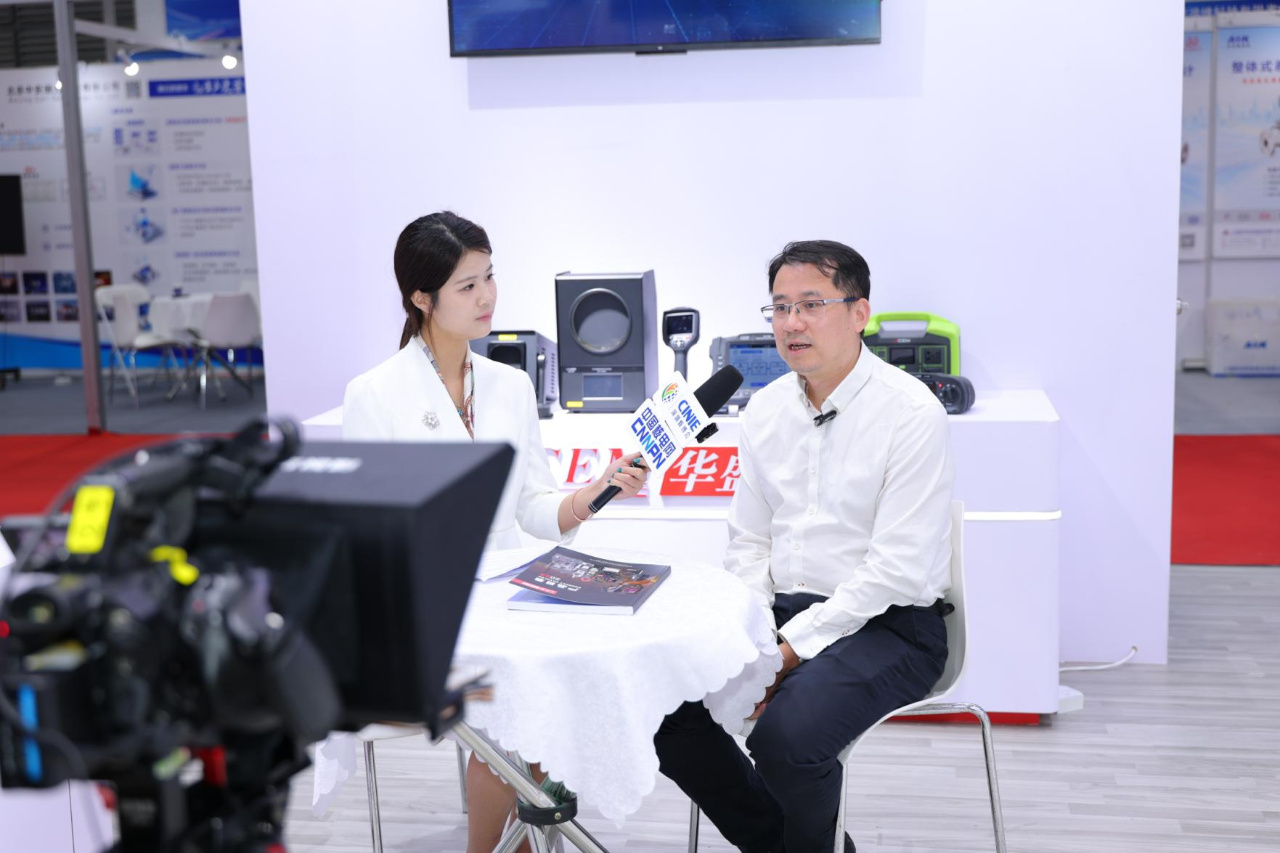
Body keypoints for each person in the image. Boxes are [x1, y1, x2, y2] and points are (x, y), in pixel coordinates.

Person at [342, 211, 649, 853]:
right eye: (467, 285)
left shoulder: (510, 386)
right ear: (421, 298)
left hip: (508, 595)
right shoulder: (375, 394)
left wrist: (596, 492)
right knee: (519, 711)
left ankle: (518, 841)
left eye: (489, 277)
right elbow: (373, 537)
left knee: (550, 688)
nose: (487, 297)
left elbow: (533, 508)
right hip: (424, 608)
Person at [653, 240, 955, 853]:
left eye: (811, 305)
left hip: (892, 626)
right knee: (666, 710)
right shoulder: (764, 411)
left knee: (787, 738)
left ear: (859, 313)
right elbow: (748, 541)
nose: (792, 323)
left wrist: (787, 653)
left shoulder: (911, 413)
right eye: (780, 307)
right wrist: (754, 633)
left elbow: (896, 570)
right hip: (782, 618)